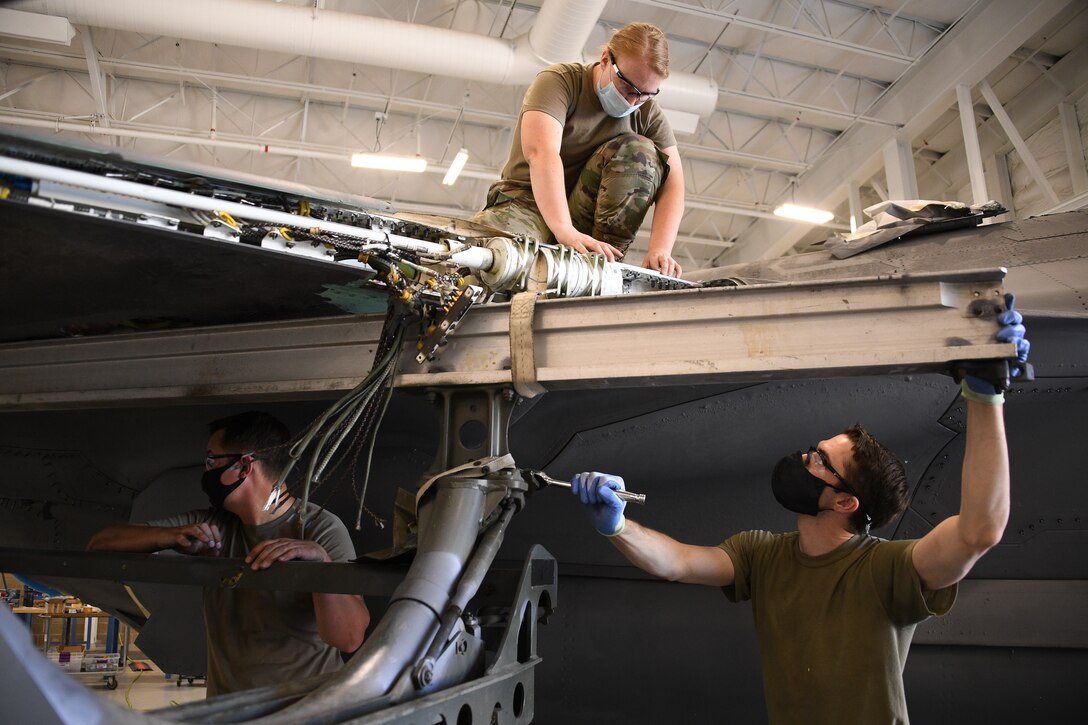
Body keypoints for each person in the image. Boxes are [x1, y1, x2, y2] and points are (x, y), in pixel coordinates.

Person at [569, 295, 1030, 724]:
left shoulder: (886, 570)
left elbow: (978, 532)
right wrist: (618, 525)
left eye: (820, 461)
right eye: (814, 449)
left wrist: (986, 396)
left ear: (845, 502)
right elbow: (678, 562)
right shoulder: (762, 555)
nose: (804, 459)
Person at [88, 411, 370, 697]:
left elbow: (348, 638)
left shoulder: (319, 529)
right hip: (229, 709)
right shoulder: (215, 525)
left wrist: (321, 564)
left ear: (245, 465)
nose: (207, 471)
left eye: (213, 460)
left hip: (304, 710)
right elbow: (102, 543)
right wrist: (168, 536)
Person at [472, 22, 685, 277]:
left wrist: (660, 248)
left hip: (584, 218)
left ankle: (601, 265)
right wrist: (563, 230)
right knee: (488, 257)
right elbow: (542, 152)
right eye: (628, 88)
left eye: (645, 94)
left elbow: (674, 184)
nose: (633, 101)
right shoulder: (561, 82)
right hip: (526, 203)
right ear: (606, 59)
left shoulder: (648, 115)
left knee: (641, 152)